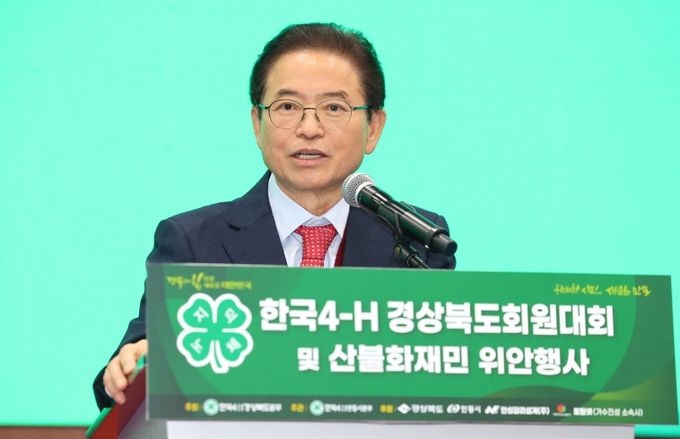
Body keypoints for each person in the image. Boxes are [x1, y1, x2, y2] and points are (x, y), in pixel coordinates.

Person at [93, 22, 455, 410]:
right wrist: (132, 366)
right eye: (287, 107)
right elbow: (128, 368)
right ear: (257, 124)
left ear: (374, 128)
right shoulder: (192, 242)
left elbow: (445, 374)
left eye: (334, 108)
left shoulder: (417, 239)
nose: (309, 128)